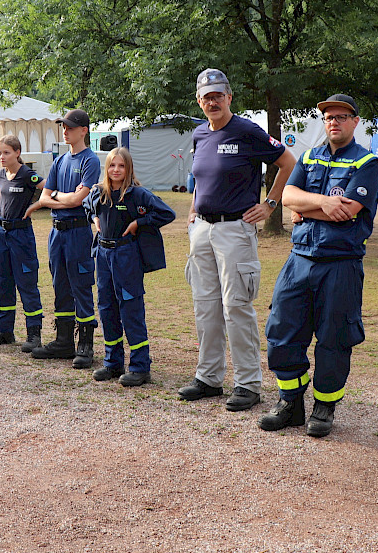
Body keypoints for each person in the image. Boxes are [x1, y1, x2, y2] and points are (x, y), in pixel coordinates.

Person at [258, 93, 378, 437]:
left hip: (340, 264)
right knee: (282, 330)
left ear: (355, 122)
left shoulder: (367, 163)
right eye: (329, 117)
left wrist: (305, 208)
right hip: (299, 260)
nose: (335, 122)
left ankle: (324, 407)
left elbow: (350, 210)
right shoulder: (309, 156)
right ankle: (290, 403)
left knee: (334, 337)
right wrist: (325, 202)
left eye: (342, 117)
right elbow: (287, 197)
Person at [181, 68, 295, 413]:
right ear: (199, 102)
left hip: (235, 230)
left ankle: (247, 384)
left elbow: (288, 162)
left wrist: (270, 204)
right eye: (206, 97)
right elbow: (201, 179)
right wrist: (192, 212)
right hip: (202, 229)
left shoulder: (247, 131)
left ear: (229, 97)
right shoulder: (200, 134)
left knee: (236, 307)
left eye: (218, 95)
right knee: (205, 306)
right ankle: (209, 377)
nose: (212, 102)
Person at [84, 147, 176, 387]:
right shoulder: (99, 192)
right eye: (112, 165)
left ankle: (139, 366)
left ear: (129, 169)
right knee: (106, 307)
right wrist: (94, 219)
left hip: (126, 255)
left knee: (130, 308)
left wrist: (139, 222)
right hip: (102, 254)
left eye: (121, 166)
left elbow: (167, 213)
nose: (116, 170)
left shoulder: (137, 194)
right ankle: (112, 363)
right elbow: (87, 205)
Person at [26, 109, 101, 366]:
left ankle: (85, 345)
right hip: (57, 232)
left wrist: (58, 197)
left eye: (70, 127)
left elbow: (79, 200)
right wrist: (63, 198)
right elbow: (44, 198)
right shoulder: (59, 161)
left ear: (84, 131)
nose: (65, 131)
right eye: (64, 127)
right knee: (60, 284)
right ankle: (64, 340)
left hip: (78, 231)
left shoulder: (90, 161)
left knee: (81, 284)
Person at [0, 135, 44, 352]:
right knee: (4, 280)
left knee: (26, 282)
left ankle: (34, 334)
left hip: (21, 235)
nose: (2, 156)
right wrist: (0, 203)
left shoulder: (27, 174)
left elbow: (47, 188)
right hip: (2, 233)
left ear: (18, 153)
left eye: (6, 152)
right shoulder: (1, 174)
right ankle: (5, 331)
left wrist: (35, 206)